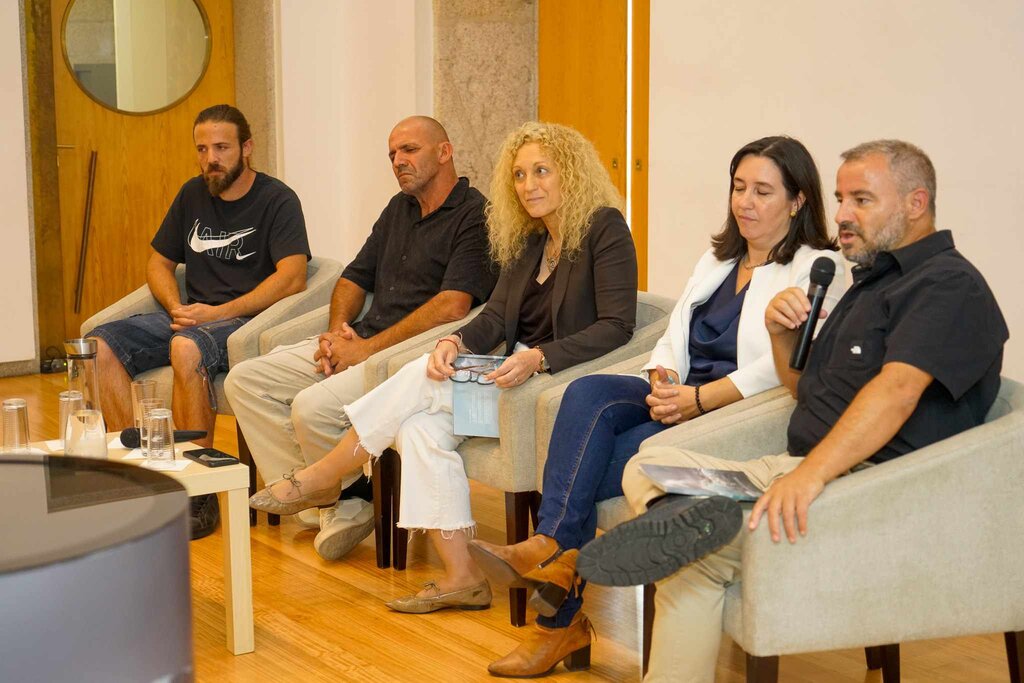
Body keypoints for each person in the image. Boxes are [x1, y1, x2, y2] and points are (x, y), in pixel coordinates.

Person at [579, 140, 1008, 683]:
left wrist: (809, 476)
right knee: (648, 464)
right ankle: (694, 519)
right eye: (841, 198)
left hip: (863, 487)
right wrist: (781, 336)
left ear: (916, 203)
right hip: (790, 466)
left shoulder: (946, 285)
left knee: (695, 561)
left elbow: (897, 392)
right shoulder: (871, 281)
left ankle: (695, 524)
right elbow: (806, 391)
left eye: (861, 200)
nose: (844, 214)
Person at [468, 135, 847, 677]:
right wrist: (665, 378)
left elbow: (788, 363)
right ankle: (553, 549)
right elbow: (673, 334)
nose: (745, 202)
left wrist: (701, 399)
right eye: (739, 187)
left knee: (595, 466)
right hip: (677, 392)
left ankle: (556, 608)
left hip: (727, 411)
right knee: (586, 393)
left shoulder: (817, 268)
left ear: (798, 200)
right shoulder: (719, 258)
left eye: (762, 192)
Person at [248, 121, 638, 623]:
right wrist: (455, 341)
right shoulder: (529, 240)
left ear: (571, 173)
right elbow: (495, 317)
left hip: (549, 382)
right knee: (418, 427)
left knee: (423, 377)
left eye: (542, 171)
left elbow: (617, 326)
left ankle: (327, 474)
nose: (529, 185)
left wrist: (540, 357)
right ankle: (462, 577)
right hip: (504, 374)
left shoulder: (605, 228)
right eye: (519, 175)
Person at [224, 116, 496, 560]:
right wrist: (337, 333)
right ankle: (331, 498)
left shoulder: (476, 215)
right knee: (245, 381)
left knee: (310, 408)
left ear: (445, 152)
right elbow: (353, 277)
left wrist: (365, 350)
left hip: (408, 355)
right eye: (392, 154)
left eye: (409, 150)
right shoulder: (398, 209)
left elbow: (453, 306)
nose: (398, 161)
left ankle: (344, 497)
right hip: (364, 340)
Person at [90, 104, 311, 539]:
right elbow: (158, 263)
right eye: (203, 149)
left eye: (222, 148)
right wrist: (176, 305)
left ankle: (198, 489)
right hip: (191, 316)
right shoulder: (192, 194)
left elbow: (294, 276)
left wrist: (218, 313)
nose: (211, 158)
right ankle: (140, 476)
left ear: (247, 148)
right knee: (100, 347)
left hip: (243, 321)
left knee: (186, 347)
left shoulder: (277, 200)